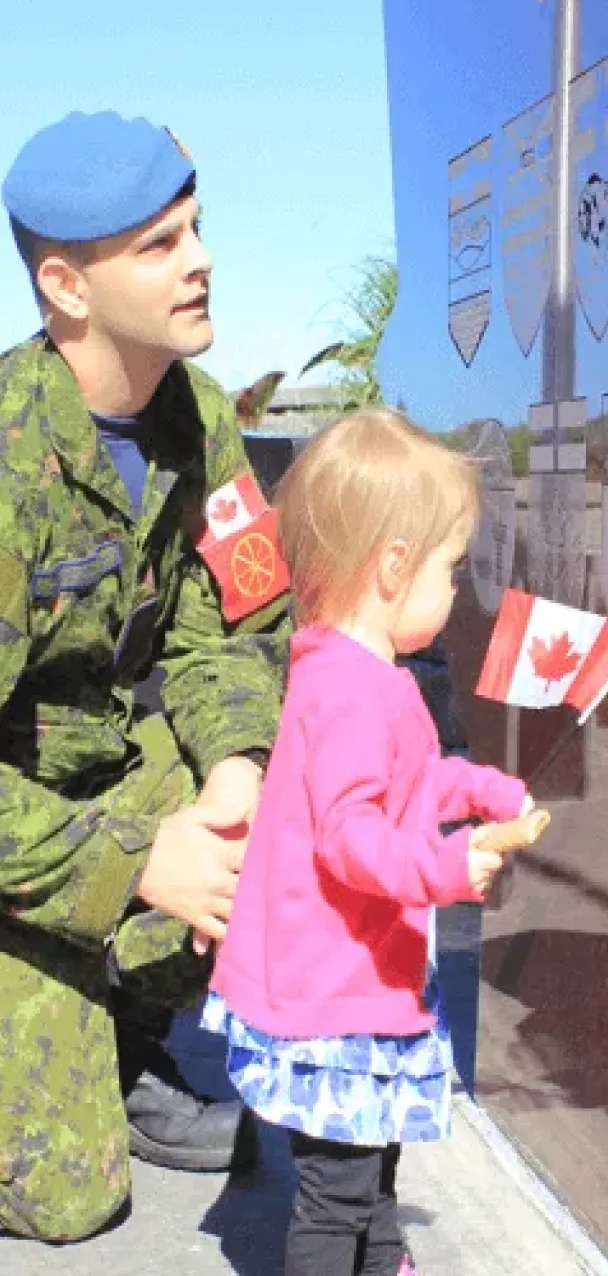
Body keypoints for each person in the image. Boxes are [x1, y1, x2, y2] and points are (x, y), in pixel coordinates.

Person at [0, 111, 291, 1242]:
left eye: (197, 229)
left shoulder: (200, 416)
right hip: (21, 833)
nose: (201, 260)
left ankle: (117, 1033)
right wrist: (134, 861)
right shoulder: (10, 461)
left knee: (287, 786)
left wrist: (235, 770)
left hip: (102, 783)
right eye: (160, 244)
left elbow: (241, 626)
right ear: (67, 286)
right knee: (71, 1198)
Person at [202, 410, 532, 1276]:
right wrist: (446, 867)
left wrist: (481, 790)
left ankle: (382, 1262)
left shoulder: (362, 673)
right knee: (338, 1191)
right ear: (392, 567)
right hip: (335, 995)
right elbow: (352, 838)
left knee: (371, 1160)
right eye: (449, 568)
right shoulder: (349, 692)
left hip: (353, 983)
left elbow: (410, 783)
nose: (455, 590)